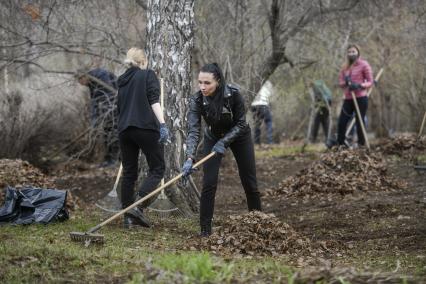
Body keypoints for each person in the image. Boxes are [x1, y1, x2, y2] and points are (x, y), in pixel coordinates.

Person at [181, 63, 262, 237]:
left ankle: (260, 224)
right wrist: (189, 157)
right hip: (213, 136)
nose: (202, 87)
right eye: (200, 82)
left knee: (250, 182)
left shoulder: (233, 94)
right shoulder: (196, 100)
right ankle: (205, 230)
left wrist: (224, 142)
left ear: (217, 81)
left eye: (207, 83)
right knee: (208, 183)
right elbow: (193, 130)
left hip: (240, 135)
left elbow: (241, 123)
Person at [116, 47, 170, 228]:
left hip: (124, 130)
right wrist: (162, 124)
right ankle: (137, 208)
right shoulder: (147, 74)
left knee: (129, 172)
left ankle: (127, 218)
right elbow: (154, 101)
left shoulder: (121, 80)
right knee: (158, 168)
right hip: (145, 127)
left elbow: (119, 108)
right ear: (142, 61)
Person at [76, 68, 119, 166]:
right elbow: (94, 101)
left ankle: (114, 160)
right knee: (105, 135)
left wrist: (100, 116)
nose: (82, 85)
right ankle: (108, 160)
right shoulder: (91, 82)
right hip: (105, 112)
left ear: (84, 77)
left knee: (113, 134)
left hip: (114, 111)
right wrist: (94, 120)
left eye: (81, 82)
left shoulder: (101, 75)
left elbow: (110, 96)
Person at [337, 44, 373, 147]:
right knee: (342, 121)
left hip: (361, 97)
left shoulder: (364, 64)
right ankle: (340, 144)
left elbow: (370, 82)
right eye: (349, 52)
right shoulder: (345, 67)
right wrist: (346, 82)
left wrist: (359, 85)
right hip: (348, 98)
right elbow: (340, 82)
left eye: (353, 51)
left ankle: (361, 144)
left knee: (359, 121)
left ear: (358, 52)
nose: (351, 54)